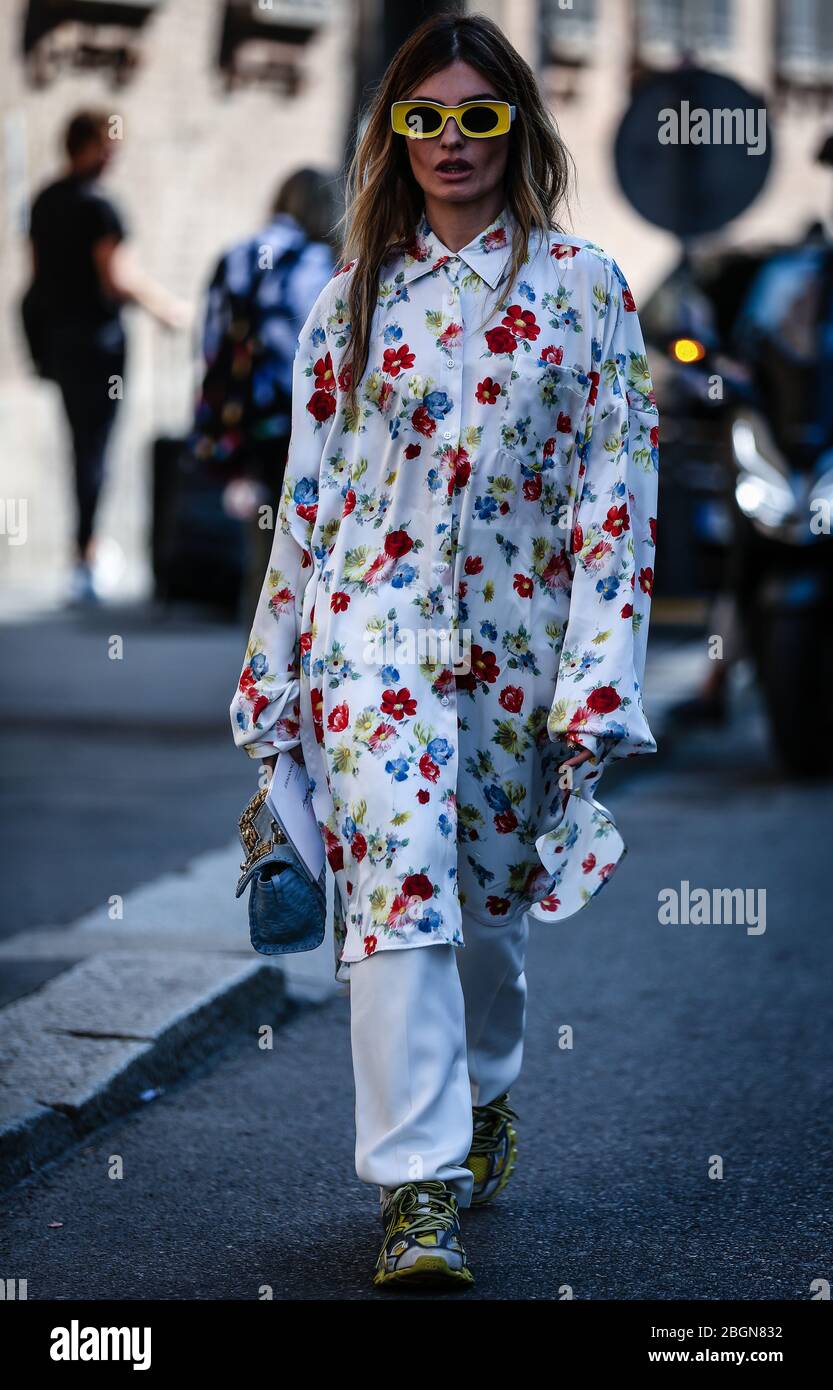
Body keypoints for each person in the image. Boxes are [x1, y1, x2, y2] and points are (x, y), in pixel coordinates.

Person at [229, 12, 659, 1290]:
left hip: (514, 657)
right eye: (425, 118)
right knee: (396, 908)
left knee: (481, 917)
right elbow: (304, 504)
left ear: (515, 125)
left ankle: (480, 1099)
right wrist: (276, 688)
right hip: (369, 647)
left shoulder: (585, 291)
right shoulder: (349, 300)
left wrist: (597, 678)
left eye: (477, 116)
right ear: (394, 133)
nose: (450, 141)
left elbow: (612, 500)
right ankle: (417, 1188)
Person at [27, 109, 187, 604]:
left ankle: (85, 552)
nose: (114, 153)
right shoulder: (101, 207)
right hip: (97, 344)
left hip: (58, 341)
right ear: (87, 145)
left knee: (81, 444)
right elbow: (116, 277)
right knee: (95, 448)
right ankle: (86, 559)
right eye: (108, 142)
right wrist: (167, 309)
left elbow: (38, 275)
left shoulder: (44, 201)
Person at [192, 168, 339, 618]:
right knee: (306, 538)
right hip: (302, 415)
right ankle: (292, 651)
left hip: (247, 418)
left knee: (265, 535)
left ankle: (258, 651)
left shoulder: (236, 254)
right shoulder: (323, 261)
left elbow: (211, 340)